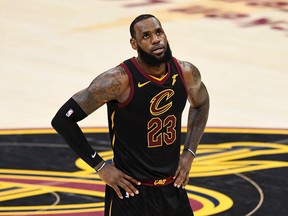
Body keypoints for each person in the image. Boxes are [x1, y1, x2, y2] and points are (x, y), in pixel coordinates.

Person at [51, 14, 209, 216]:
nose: (156, 40)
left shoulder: (186, 72)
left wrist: (190, 152)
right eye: (146, 36)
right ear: (134, 44)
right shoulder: (117, 81)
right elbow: (63, 119)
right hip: (131, 192)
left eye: (159, 32)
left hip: (172, 187)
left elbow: (201, 103)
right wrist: (100, 167)